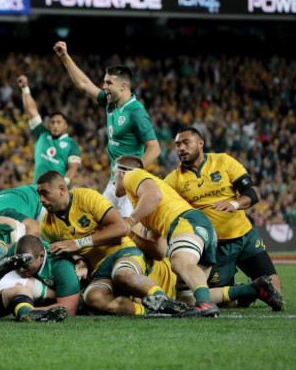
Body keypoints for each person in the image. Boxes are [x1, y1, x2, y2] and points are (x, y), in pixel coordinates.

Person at [165, 126, 283, 311]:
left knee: (276, 289)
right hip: (215, 246)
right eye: (177, 144)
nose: (181, 148)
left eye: (186, 143)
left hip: (244, 236)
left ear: (200, 143)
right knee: (227, 304)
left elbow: (253, 192)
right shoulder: (173, 180)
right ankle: (249, 289)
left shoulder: (223, 161)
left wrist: (235, 204)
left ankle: (251, 288)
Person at [36, 170, 183, 316]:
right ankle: (148, 312)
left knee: (122, 275)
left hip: (121, 251)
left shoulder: (86, 197)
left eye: (45, 193)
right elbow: (67, 252)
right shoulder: (47, 226)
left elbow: (121, 228)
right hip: (98, 268)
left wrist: (79, 243)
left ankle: (162, 299)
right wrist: (79, 260)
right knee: (93, 297)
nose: (41, 199)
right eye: (39, 194)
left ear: (62, 189)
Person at [54, 41, 160, 217]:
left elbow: (155, 148)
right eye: (104, 82)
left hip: (129, 185)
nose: (104, 87)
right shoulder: (111, 104)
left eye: (108, 83)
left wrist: (131, 176)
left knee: (127, 232)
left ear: (123, 86)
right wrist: (65, 57)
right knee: (100, 221)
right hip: (114, 182)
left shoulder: (136, 112)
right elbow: (84, 85)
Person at [112, 154, 220, 317]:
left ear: (122, 173)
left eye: (114, 174)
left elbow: (154, 195)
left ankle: (205, 304)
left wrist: (129, 222)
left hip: (185, 222)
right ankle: (250, 289)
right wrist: (131, 235)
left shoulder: (133, 175)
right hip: (198, 226)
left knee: (179, 263)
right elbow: (159, 252)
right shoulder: (145, 205)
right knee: (187, 300)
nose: (112, 181)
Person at [16, 74, 81, 185]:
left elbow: (73, 167)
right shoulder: (41, 133)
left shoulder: (71, 143)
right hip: (36, 188)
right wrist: (25, 88)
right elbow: (31, 110)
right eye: (52, 122)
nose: (55, 125)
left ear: (65, 126)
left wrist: (64, 183)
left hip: (55, 191)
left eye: (59, 122)